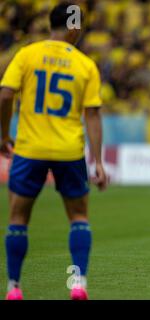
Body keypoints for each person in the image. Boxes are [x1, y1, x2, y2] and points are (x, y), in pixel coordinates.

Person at [0, 2, 107, 300]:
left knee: (18, 218)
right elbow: (93, 115)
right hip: (68, 150)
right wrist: (98, 162)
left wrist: (3, 135)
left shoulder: (27, 54)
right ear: (75, 28)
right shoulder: (85, 64)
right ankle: (79, 284)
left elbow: (6, 95)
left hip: (29, 147)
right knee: (79, 217)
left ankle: (14, 288)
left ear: (51, 24)